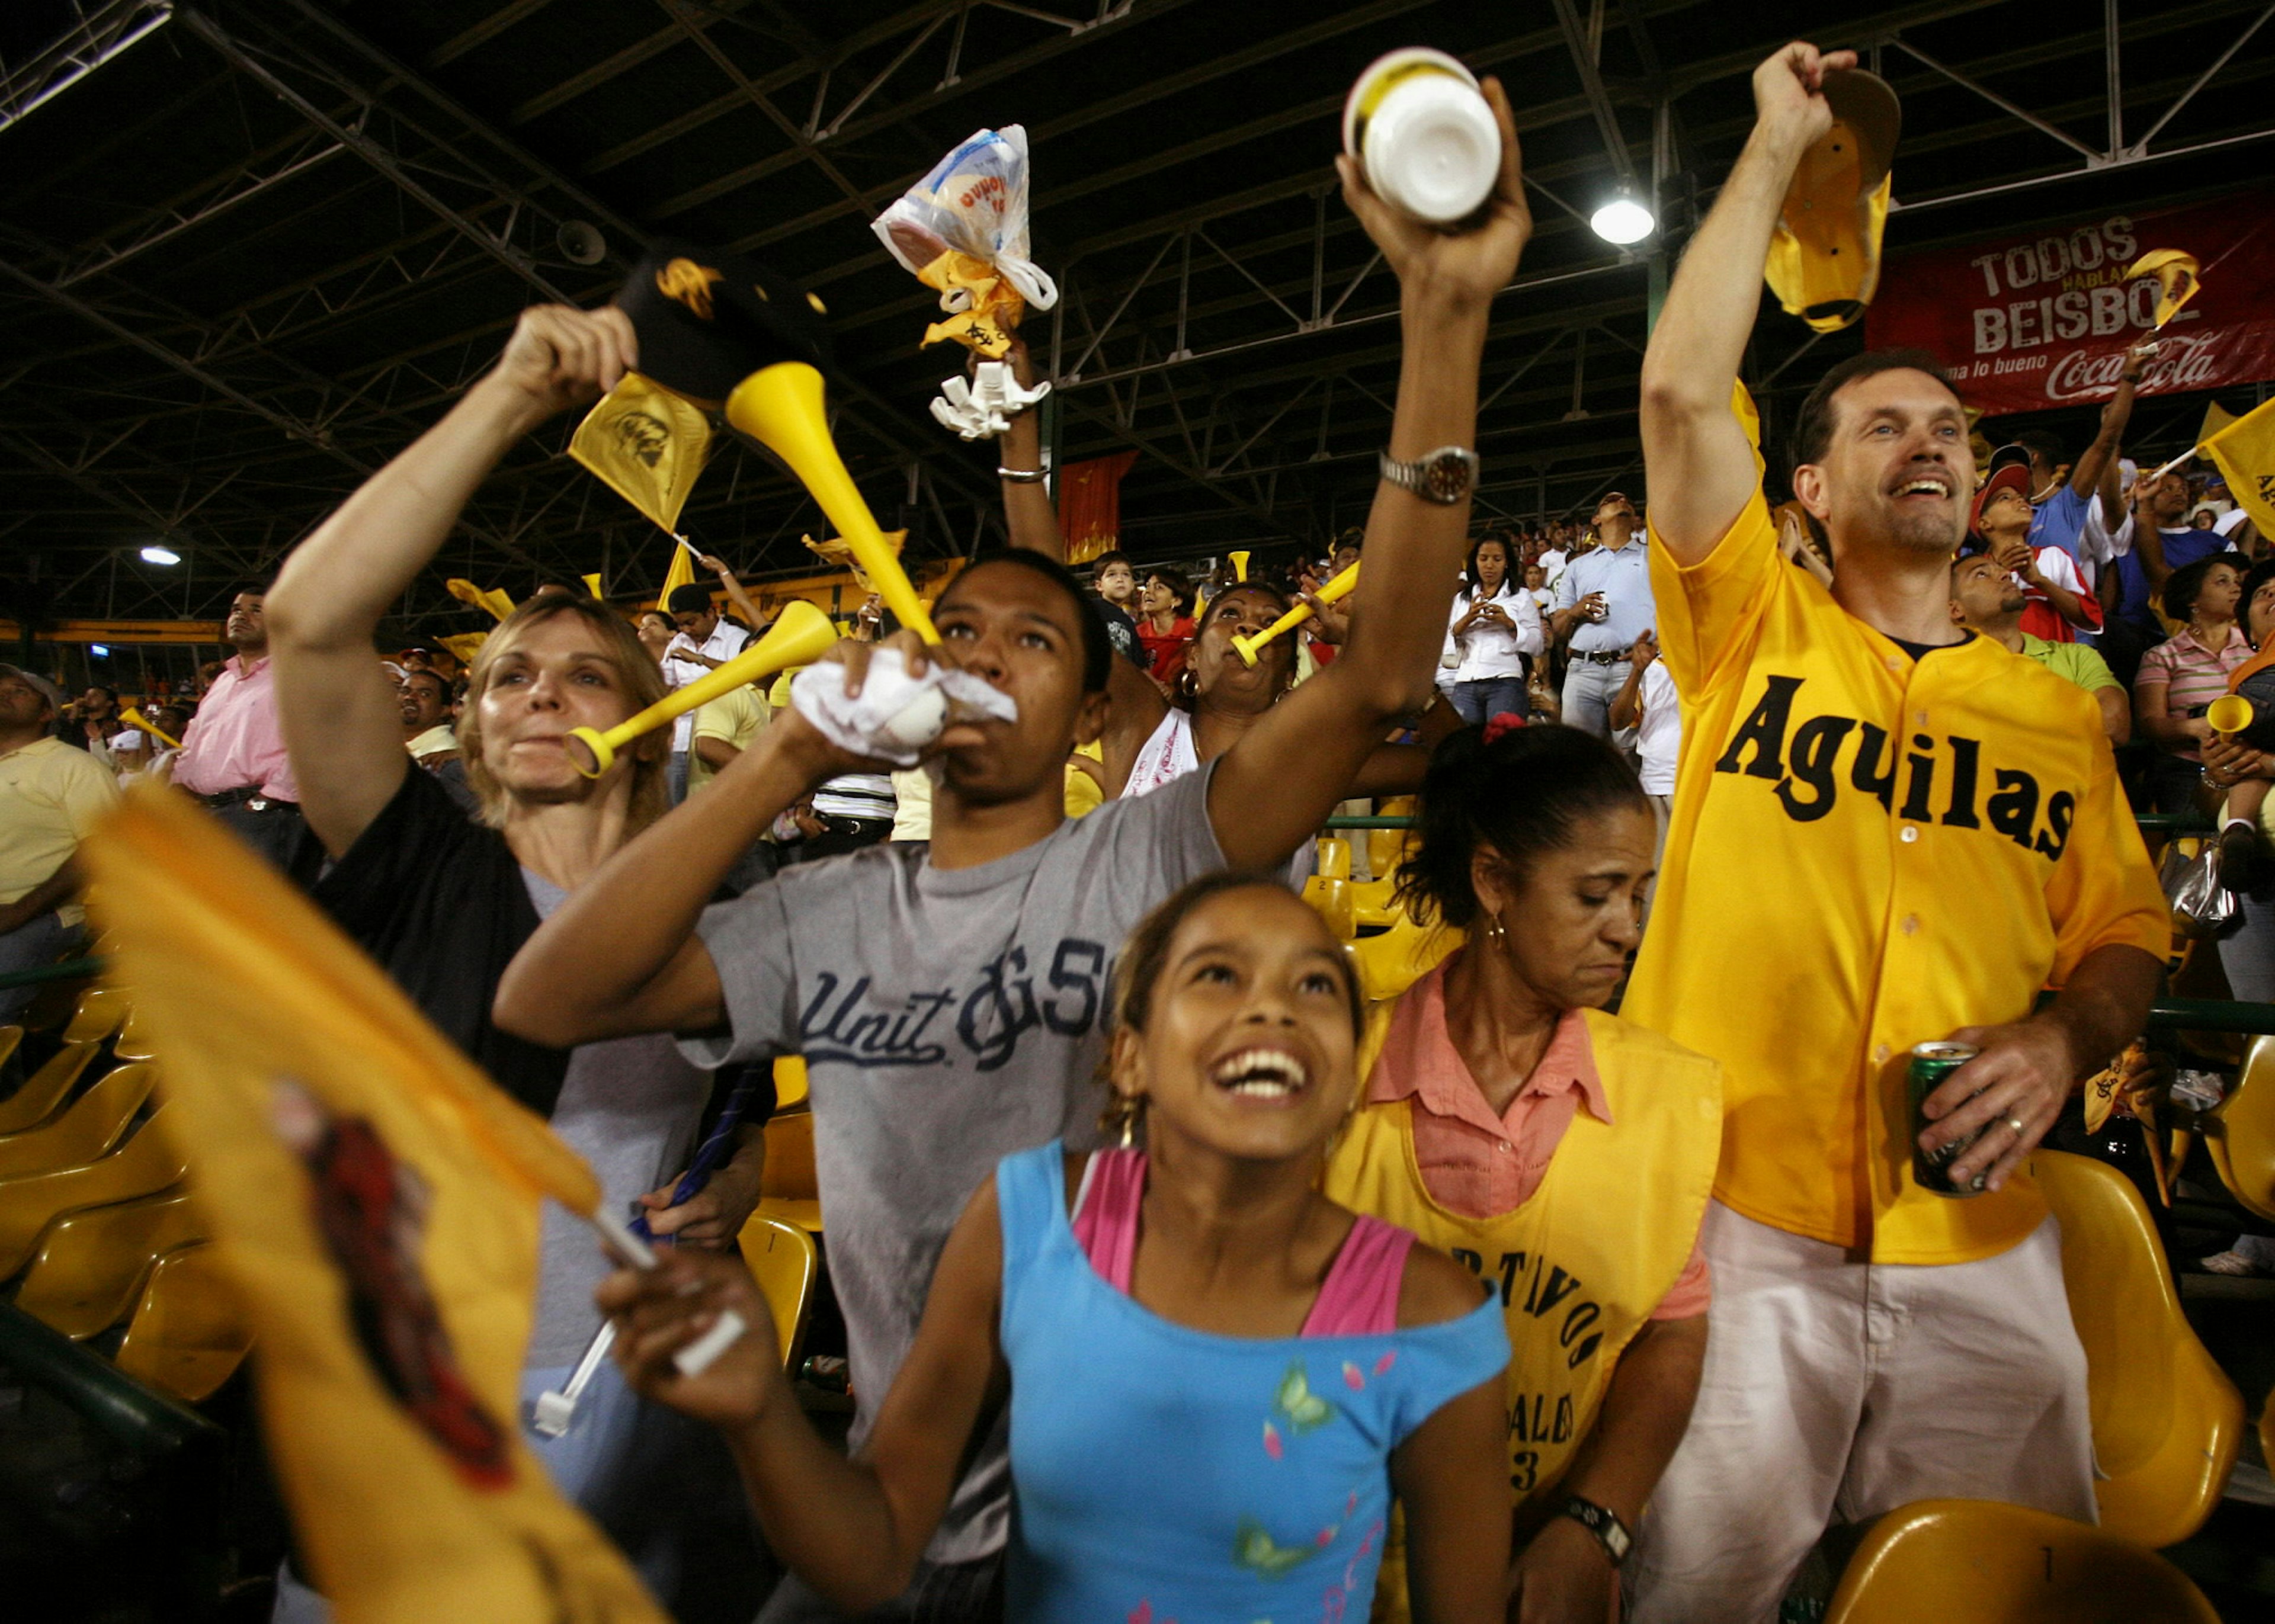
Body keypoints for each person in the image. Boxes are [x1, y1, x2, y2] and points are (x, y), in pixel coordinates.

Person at [496, 89, 1533, 1623]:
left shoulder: (1154, 850)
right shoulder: (822, 912)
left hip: (1100, 1501)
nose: (982, 651)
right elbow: (550, 998)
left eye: (1034, 636)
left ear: (1096, 698)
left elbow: (1382, 672)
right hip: (889, 1491)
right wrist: (787, 751)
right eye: (956, 626)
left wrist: (1442, 317)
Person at [1623, 41, 2167, 1621]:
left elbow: (2125, 934)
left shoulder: (2058, 709)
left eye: (1951, 426)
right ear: (1803, 490)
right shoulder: (1747, 632)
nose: (1932, 440)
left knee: (2012, 1598)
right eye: (1884, 425)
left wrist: (2068, 1037)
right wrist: (1783, 144)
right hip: (1731, 1234)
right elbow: (1676, 385)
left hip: (1981, 1239)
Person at [601, 874, 1512, 1621]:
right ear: (1128, 1057)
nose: (1272, 1008)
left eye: (1315, 985)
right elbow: (876, 1553)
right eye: (1218, 976)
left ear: (1349, 1069)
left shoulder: (1432, 1320)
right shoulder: (1028, 1220)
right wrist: (760, 1404)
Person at [261, 302, 771, 1620]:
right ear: (477, 735)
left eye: (586, 676)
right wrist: (508, 394)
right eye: (510, 679)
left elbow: (735, 1116)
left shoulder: (712, 909)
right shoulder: (421, 864)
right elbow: (310, 626)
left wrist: (727, 1194)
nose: (541, 693)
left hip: (626, 1410)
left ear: (649, 721)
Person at [1324, 726, 1717, 1624]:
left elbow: (1671, 1330)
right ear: (1494, 881)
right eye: (1596, 894)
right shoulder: (1338, 1071)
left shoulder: (1665, 1091)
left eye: (1640, 894)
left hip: (1542, 1577)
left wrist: (1593, 1526)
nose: (1628, 928)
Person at [0, 665, 118, 1023]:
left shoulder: (74, 767)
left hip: (36, 917)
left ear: (47, 713)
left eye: (18, 691)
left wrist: (20, 912)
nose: (3, 694)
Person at [171, 588, 305, 866]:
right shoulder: (224, 682)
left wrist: (268, 800)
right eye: (236, 610)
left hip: (259, 819)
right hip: (206, 813)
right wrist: (181, 783)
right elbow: (195, 738)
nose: (241, 616)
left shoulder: (297, 675)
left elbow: (313, 744)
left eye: (256, 610)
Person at [1949, 554, 2129, 746]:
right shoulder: (1945, 669)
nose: (2005, 574)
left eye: (2002, 570)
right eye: (1982, 574)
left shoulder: (2076, 657)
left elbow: (2114, 726)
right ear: (1955, 610)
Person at [2133, 556, 2249, 813]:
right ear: (2193, 599)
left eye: (2237, 582)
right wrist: (2193, 728)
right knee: (2192, 846)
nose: (2236, 588)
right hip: (2187, 768)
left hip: (2249, 763)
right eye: (2222, 582)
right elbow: (2151, 722)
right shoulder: (2162, 656)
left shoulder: (2256, 650)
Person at [1547, 494, 1654, 738]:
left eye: (1628, 501)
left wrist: (1656, 647)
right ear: (1596, 519)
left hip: (1632, 668)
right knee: (1579, 758)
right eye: (1611, 500)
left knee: (1631, 756)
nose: (1622, 501)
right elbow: (1559, 631)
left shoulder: (1654, 558)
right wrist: (1575, 612)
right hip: (1582, 671)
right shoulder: (1577, 566)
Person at [1971, 457, 2100, 643]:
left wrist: (2040, 581)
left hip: (2053, 668)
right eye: (2005, 498)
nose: (2019, 501)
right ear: (1985, 523)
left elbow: (2091, 621)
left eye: (2021, 497)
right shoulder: (1976, 572)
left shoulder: (2055, 556)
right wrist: (2001, 573)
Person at [664, 579, 754, 803]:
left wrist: (700, 660)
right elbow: (663, 687)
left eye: (691, 622)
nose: (686, 630)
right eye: (680, 625)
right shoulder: (677, 642)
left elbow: (745, 675)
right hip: (681, 743)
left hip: (725, 741)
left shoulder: (737, 639)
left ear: (711, 613)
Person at [1443, 532, 1542, 724]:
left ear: (1506, 562)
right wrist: (1467, 619)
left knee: (1503, 746)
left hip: (1505, 679)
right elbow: (1447, 644)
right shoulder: (1461, 599)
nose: (1489, 565)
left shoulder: (1521, 596)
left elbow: (1537, 644)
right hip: (1465, 681)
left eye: (1497, 559)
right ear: (1475, 562)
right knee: (1466, 746)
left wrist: (1509, 624)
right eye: (1483, 559)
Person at [1606, 630, 1681, 874]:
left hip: (1696, 785)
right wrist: (1637, 671)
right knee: (1656, 878)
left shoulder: (1714, 665)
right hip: (1654, 783)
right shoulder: (1650, 669)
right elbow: (1618, 721)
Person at [1134, 566, 1199, 686]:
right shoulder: (1137, 634)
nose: (1148, 591)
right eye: (1148, 586)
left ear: (1176, 600)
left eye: (1159, 588)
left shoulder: (1195, 630)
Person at [1086, 547, 1149, 671]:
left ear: (1132, 584)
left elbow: (1139, 666)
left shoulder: (1128, 622)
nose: (1120, 580)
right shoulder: (1091, 609)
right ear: (1099, 585)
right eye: (1112, 574)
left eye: (1126, 574)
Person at [398, 666, 458, 768]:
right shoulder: (382, 742)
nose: (410, 697)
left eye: (424, 694)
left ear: (444, 710)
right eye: (405, 691)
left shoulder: (443, 757)